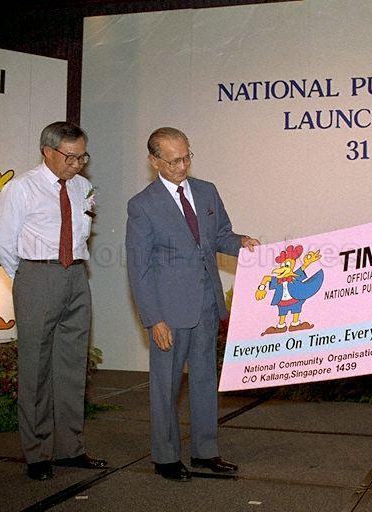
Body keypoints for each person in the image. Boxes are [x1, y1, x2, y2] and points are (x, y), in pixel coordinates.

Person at [126, 127, 259, 482]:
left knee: (204, 380)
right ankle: (166, 457)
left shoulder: (207, 190)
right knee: (165, 386)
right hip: (168, 312)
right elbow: (138, 270)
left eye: (187, 157)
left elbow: (220, 236)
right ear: (154, 161)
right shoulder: (142, 205)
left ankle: (206, 450)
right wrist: (154, 319)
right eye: (173, 161)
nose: (182, 166)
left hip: (206, 304)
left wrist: (241, 242)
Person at [0, 121, 107, 481]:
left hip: (77, 274)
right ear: (47, 151)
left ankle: (71, 448)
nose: (77, 164)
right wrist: (27, 280)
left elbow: (83, 232)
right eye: (70, 157)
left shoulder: (84, 187)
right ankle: (38, 452)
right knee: (36, 369)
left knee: (73, 366)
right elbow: (3, 245)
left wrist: (67, 271)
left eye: (82, 156)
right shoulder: (21, 188)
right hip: (36, 275)